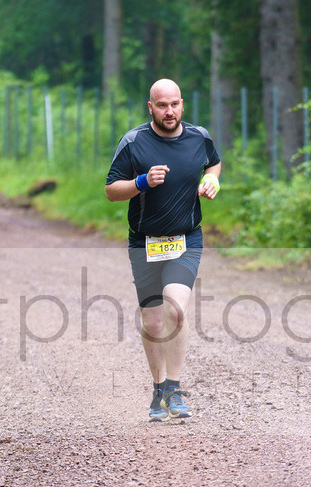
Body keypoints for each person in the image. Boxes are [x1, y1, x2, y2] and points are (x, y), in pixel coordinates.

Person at [105, 79, 222, 422]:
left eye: (174, 105)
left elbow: (213, 163)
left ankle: (175, 387)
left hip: (186, 239)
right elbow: (111, 190)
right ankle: (158, 390)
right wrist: (142, 182)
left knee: (177, 311)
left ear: (182, 104)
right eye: (162, 106)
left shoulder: (199, 137)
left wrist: (212, 180)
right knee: (154, 322)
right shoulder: (134, 141)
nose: (169, 112)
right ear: (150, 107)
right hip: (145, 243)